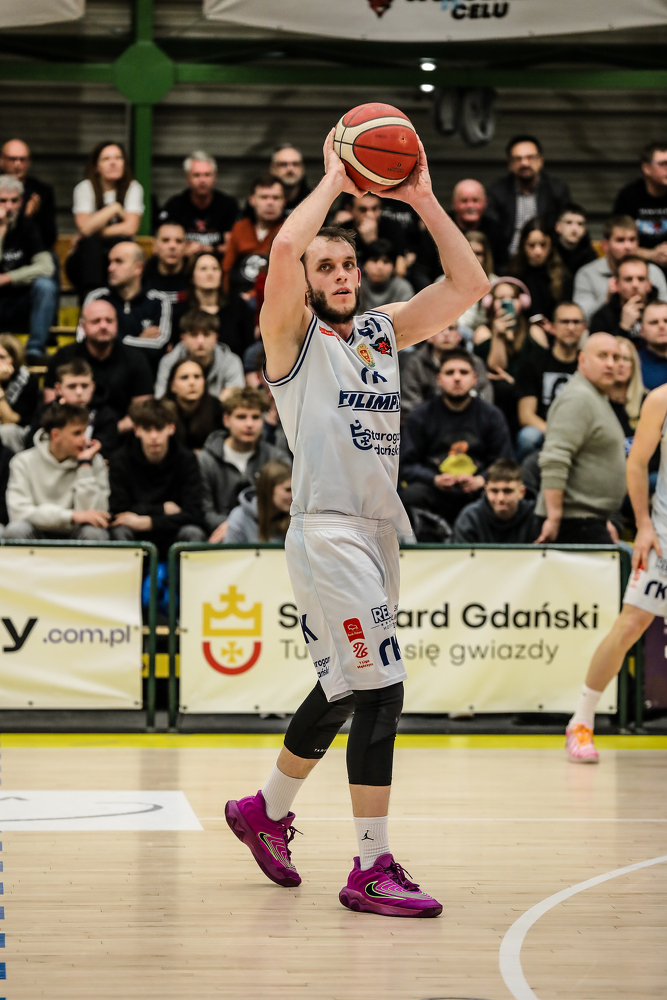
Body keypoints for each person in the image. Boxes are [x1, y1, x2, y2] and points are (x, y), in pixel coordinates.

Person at [224, 127, 487, 917]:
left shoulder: (380, 331)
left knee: (342, 689)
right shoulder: (290, 336)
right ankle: (370, 867)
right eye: (325, 267)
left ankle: (264, 811)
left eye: (348, 265)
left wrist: (421, 197)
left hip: (375, 531)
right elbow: (283, 249)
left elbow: (468, 283)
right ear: (305, 283)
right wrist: (337, 177)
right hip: (328, 530)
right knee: (382, 690)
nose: (340, 274)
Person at [563, 373, 667, 762]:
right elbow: (636, 463)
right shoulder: (661, 399)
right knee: (631, 625)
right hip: (663, 534)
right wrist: (643, 525)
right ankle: (581, 721)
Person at [400, 347, 512, 528]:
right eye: (450, 373)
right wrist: (434, 479)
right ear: (438, 379)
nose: (457, 378)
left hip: (478, 493)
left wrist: (481, 480)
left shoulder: (492, 416)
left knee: (502, 495)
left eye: (464, 372)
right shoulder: (420, 416)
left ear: (474, 378)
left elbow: (504, 462)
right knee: (410, 495)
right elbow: (406, 465)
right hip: (434, 491)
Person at [535, 333, 626, 545]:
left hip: (588, 520)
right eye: (602, 356)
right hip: (571, 523)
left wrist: (603, 519)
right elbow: (555, 458)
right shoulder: (578, 397)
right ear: (582, 360)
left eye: (616, 357)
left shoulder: (594, 396)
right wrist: (554, 516)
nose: (611, 364)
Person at [108, 398, 206, 556]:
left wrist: (149, 522)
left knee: (193, 533)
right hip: (136, 529)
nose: (154, 436)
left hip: (171, 530)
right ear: (136, 430)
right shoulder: (120, 459)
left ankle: (187, 574)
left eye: (159, 429)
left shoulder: (186, 459)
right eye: (147, 429)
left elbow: (194, 513)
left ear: (171, 428)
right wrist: (162, 509)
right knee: (120, 531)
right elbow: (118, 510)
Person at [4, 402, 109, 540]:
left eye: (85, 432)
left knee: (94, 533)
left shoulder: (93, 460)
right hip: (37, 531)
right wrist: (71, 516)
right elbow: (18, 512)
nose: (85, 439)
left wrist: (85, 465)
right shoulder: (23, 461)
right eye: (77, 433)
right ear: (55, 435)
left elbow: (95, 515)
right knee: (16, 530)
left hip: (76, 534)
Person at [44, 298, 153, 430]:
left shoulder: (136, 359)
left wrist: (107, 432)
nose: (103, 326)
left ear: (117, 324)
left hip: (122, 433)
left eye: (109, 320)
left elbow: (143, 411)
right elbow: (50, 404)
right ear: (83, 326)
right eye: (96, 321)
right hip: (69, 431)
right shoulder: (63, 357)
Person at [197, 386, 289, 542]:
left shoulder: (277, 458)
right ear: (226, 420)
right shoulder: (206, 460)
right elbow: (205, 511)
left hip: (268, 533)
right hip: (219, 535)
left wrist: (245, 525)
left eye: (256, 417)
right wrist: (235, 524)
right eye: (241, 417)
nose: (249, 424)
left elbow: (288, 507)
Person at [473, 276, 548, 438]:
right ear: (490, 303)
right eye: (500, 298)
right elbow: (496, 368)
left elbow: (543, 372)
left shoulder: (534, 332)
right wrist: (498, 336)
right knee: (503, 388)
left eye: (512, 298)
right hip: (499, 397)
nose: (507, 302)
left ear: (523, 301)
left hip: (530, 396)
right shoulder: (483, 332)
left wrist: (515, 382)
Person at [67, 141, 144, 298]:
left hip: (118, 259)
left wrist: (92, 230)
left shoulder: (133, 187)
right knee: (91, 244)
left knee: (119, 242)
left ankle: (118, 305)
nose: (113, 163)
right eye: (106, 159)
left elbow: (131, 227)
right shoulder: (84, 188)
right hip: (84, 262)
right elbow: (84, 227)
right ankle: (90, 301)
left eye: (118, 158)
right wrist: (113, 208)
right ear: (96, 167)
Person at [81, 241, 171, 370]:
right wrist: (140, 340)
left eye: (119, 261)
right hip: (101, 373)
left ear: (138, 268)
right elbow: (84, 341)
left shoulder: (159, 301)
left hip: (145, 376)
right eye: (110, 262)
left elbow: (158, 348)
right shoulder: (97, 298)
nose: (110, 268)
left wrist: (111, 341)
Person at [515, 301, 586, 460]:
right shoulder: (534, 362)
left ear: (584, 328)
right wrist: (555, 434)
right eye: (564, 321)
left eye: (576, 322)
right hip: (544, 430)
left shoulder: (590, 365)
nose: (571, 327)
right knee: (528, 436)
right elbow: (526, 415)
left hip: (580, 430)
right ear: (552, 327)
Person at [0, 174, 57, 363]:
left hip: (20, 301)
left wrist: (8, 277)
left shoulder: (28, 227)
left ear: (21, 202)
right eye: (2, 201)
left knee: (45, 286)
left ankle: (34, 351)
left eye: (14, 201)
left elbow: (46, 267)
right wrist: (1, 233)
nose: (9, 206)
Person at [486, 134, 571, 260]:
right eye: (518, 159)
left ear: (540, 161)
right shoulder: (497, 192)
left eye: (530, 157)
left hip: (548, 261)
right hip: (507, 261)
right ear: (510, 164)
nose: (524, 163)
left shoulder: (557, 190)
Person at [573, 215, 667, 324]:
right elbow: (580, 319)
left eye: (632, 240)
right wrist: (606, 299)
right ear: (605, 245)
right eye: (620, 240)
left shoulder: (653, 272)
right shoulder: (587, 274)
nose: (628, 246)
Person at [400, 321, 492, 420]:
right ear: (429, 337)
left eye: (451, 329)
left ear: (459, 336)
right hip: (426, 425)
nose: (446, 333)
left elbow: (485, 400)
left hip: (470, 423)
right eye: (440, 329)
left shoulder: (474, 363)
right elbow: (410, 405)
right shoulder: (415, 364)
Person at [158, 151, 238, 257]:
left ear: (215, 176)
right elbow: (164, 244)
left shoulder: (228, 205)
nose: (202, 180)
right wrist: (186, 250)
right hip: (184, 263)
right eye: (196, 175)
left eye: (207, 175)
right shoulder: (175, 206)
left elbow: (232, 247)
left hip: (218, 263)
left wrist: (211, 249)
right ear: (187, 177)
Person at [154, 309, 244, 400]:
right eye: (194, 335)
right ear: (183, 339)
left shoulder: (230, 361)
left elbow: (236, 399)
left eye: (206, 335)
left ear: (216, 338)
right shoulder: (170, 361)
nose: (200, 341)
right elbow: (160, 398)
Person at [223, 175, 285, 295]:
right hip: (239, 295)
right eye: (264, 197)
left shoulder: (289, 230)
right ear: (252, 200)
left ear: (283, 201)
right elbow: (226, 268)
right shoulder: (240, 227)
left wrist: (253, 295)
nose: (270, 203)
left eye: (276, 198)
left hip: (273, 296)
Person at [183, 252, 253, 359]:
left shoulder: (238, 306)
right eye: (203, 269)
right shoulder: (183, 310)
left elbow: (249, 345)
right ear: (192, 276)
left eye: (215, 269)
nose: (210, 273)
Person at [451, 458, 538, 543]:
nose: (501, 498)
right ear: (486, 492)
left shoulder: (536, 517)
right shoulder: (470, 519)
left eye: (508, 491)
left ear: (522, 492)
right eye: (494, 491)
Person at [613, 141, 667, 269]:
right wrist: (650, 254)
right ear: (646, 168)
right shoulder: (629, 196)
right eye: (663, 164)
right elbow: (618, 243)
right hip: (637, 266)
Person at [51, 358, 119, 458]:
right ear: (58, 389)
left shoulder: (106, 416)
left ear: (93, 387)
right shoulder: (48, 413)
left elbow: (109, 452)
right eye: (72, 386)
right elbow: (36, 446)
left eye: (84, 386)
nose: (79, 392)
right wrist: (60, 414)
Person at [509, 216, 572, 321]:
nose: (538, 251)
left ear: (551, 245)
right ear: (523, 245)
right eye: (532, 245)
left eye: (543, 245)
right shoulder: (512, 275)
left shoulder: (563, 276)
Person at [0, 138, 57, 250]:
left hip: (28, 250)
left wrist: (31, 218)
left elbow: (49, 239)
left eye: (22, 160)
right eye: (12, 159)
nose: (17, 164)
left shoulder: (41, 192)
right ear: (1, 160)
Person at [589, 254, 656, 341]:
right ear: (616, 284)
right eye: (628, 279)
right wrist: (623, 327)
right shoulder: (602, 317)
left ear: (649, 284)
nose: (635, 285)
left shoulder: (662, 312)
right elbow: (600, 348)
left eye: (641, 279)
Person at [224, 459, 292, 543]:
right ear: (268, 490)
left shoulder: (295, 518)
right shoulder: (240, 518)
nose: (293, 496)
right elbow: (231, 550)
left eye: (295, 490)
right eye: (288, 490)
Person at [166, 358, 223, 452]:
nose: (192, 383)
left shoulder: (218, 408)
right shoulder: (161, 411)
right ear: (172, 386)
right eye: (184, 377)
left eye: (197, 377)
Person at [450, 178, 505, 270]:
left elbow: (502, 265)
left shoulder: (496, 230)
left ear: (485, 202)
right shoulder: (438, 227)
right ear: (454, 203)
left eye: (475, 200)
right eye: (464, 201)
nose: (470, 205)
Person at [347, 191, 407, 274]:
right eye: (363, 210)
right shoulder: (344, 230)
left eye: (374, 209)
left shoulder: (392, 227)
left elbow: (400, 271)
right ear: (351, 210)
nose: (370, 215)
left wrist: (373, 242)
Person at [141, 221, 190, 322]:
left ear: (186, 246)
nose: (172, 246)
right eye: (165, 240)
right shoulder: (141, 275)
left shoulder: (194, 274)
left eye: (179, 241)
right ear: (154, 246)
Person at [0, 333, 39, 452]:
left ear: (14, 359)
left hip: (17, 432)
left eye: (2, 357)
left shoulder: (27, 380)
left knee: (7, 431)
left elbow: (10, 421)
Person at [456, 231, 498, 339]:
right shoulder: (444, 282)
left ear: (486, 257)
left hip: (486, 338)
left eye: (478, 253)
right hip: (456, 338)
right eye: (469, 252)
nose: (473, 258)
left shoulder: (496, 284)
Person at [357, 238, 413, 314]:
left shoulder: (403, 288)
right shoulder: (356, 288)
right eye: (374, 260)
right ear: (364, 265)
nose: (380, 267)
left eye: (386, 262)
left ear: (394, 266)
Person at [608, 336, 645, 440]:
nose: (621, 364)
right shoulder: (595, 401)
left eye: (626, 359)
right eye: (616, 358)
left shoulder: (647, 401)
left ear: (633, 365)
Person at [553, 203, 597, 277]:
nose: (574, 229)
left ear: (584, 230)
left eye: (580, 224)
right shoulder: (549, 253)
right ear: (558, 227)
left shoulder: (590, 257)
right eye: (569, 222)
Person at [270, 144, 311, 215]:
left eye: (295, 164)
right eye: (283, 164)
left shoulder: (313, 200)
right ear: (272, 168)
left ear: (302, 168)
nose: (290, 169)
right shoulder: (261, 203)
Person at [637, 300, 667, 391]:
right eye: (654, 322)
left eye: (666, 321)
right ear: (642, 331)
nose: (661, 326)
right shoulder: (635, 364)